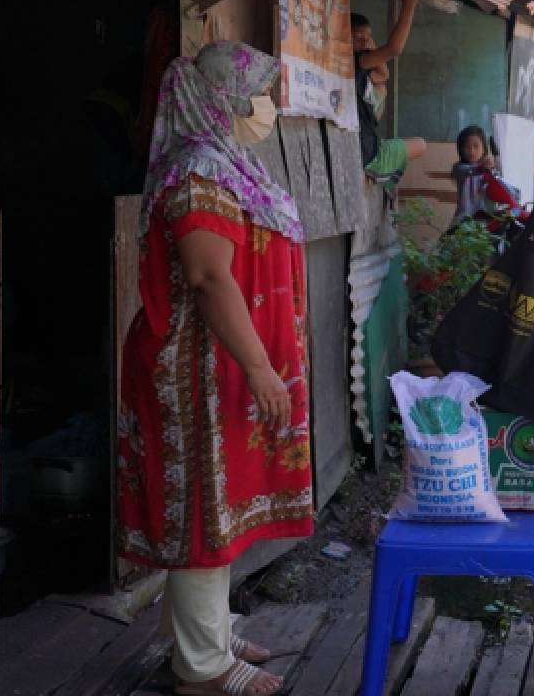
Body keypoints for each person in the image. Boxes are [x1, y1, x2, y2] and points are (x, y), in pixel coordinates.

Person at [117, 41, 314, 696]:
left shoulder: (226, 164)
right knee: (204, 507)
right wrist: (261, 369)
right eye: (258, 90)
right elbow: (206, 277)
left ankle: (201, 631)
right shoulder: (200, 171)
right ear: (225, 97)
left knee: (219, 503)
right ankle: (200, 669)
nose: (267, 105)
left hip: (219, 363)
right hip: (195, 367)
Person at [351, 0, 427, 185]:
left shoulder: (359, 65)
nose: (365, 42)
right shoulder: (355, 61)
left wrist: (368, 43)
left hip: (367, 146)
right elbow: (394, 49)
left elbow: (384, 74)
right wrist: (409, 4)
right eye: (358, 37)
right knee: (421, 144)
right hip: (370, 154)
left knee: (381, 88)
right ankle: (378, 174)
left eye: (368, 37)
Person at [449, 125, 526, 231]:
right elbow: (472, 170)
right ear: (460, 150)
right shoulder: (459, 169)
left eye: (476, 146)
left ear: (484, 148)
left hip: (487, 221)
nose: (471, 151)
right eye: (467, 147)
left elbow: (510, 191)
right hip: (464, 222)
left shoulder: (492, 172)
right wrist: (484, 167)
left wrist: (516, 207)